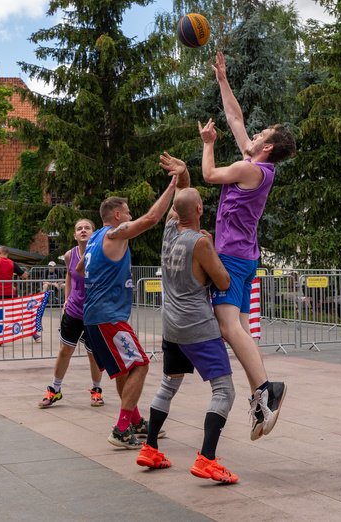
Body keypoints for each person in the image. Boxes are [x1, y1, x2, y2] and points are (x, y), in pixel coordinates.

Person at [201, 51, 296, 440]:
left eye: (260, 136)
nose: (253, 135)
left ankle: (264, 391)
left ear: (267, 147)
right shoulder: (261, 167)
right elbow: (236, 119)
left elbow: (208, 175)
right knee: (239, 327)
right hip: (246, 257)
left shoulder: (247, 167)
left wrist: (208, 143)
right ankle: (263, 395)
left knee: (228, 326)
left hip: (231, 257)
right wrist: (223, 79)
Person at [137, 156, 238, 483]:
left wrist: (183, 176)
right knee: (224, 391)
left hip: (171, 326)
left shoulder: (169, 229)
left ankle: (150, 447)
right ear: (199, 211)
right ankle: (207, 459)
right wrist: (215, 256)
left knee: (169, 383)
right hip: (198, 326)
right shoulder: (201, 242)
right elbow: (222, 281)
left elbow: (183, 197)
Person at [80, 166, 179, 449]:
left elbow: (79, 267)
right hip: (108, 316)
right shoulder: (114, 234)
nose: (131, 216)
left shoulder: (95, 238)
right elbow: (152, 218)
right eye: (127, 212)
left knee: (125, 370)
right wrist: (172, 187)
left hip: (94, 316)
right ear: (117, 216)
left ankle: (135, 421)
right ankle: (122, 429)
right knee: (141, 364)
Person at [38, 219, 105, 409]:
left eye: (87, 228)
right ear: (74, 235)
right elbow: (69, 274)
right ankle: (54, 390)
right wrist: (67, 298)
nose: (83, 231)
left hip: (94, 313)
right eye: (79, 229)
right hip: (74, 310)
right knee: (65, 350)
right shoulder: (70, 255)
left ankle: (96, 390)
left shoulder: (101, 254)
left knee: (93, 354)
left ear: (93, 233)